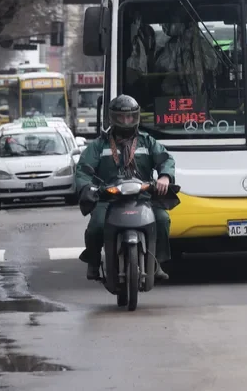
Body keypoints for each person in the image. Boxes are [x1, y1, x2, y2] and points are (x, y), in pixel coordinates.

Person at [75, 94, 176, 282]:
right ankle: (93, 261)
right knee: (96, 226)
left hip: (143, 196)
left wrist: (164, 176)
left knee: (162, 220)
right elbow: (83, 169)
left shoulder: (147, 141)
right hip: (108, 197)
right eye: (121, 117)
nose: (126, 121)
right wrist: (87, 187)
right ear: (112, 118)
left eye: (130, 116)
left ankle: (156, 263)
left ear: (136, 117)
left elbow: (166, 159)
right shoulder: (99, 145)